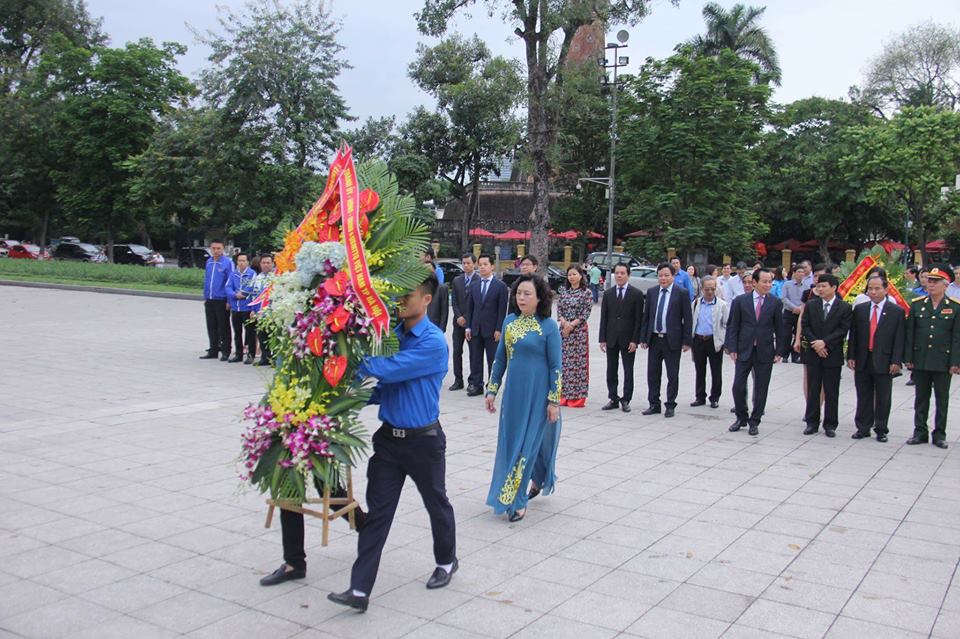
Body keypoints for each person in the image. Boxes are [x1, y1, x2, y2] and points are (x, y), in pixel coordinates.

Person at [327, 273, 457, 612]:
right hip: (389, 442)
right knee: (380, 514)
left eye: (407, 296)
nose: (399, 301)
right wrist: (343, 400)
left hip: (423, 443)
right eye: (397, 295)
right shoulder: (393, 336)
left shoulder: (432, 342)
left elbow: (388, 370)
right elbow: (381, 388)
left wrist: (344, 352)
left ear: (427, 299)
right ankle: (359, 590)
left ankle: (446, 561)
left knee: (436, 503)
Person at [484, 275, 562, 522]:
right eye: (518, 293)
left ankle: (517, 500)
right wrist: (491, 390)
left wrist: (554, 401)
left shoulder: (548, 326)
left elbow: (555, 366)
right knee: (511, 444)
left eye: (527, 293)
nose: (521, 298)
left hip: (538, 397)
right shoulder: (509, 322)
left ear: (540, 298)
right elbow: (500, 359)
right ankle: (533, 480)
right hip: (514, 397)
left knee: (527, 445)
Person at [903, 268, 960, 449]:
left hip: (942, 360)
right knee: (921, 397)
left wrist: (955, 362)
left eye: (936, 281)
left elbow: (957, 337)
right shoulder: (918, 304)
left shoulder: (955, 306)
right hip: (920, 358)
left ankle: (939, 434)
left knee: (941, 399)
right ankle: (919, 432)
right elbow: (910, 333)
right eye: (929, 280)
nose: (931, 284)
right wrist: (908, 357)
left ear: (945, 285)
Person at [847, 274, 905, 443]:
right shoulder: (861, 309)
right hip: (863, 358)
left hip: (884, 360)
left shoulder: (896, 311)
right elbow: (854, 336)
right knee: (863, 393)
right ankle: (863, 427)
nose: (873, 292)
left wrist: (896, 361)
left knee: (883, 396)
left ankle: (881, 428)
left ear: (886, 290)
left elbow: (899, 338)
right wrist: (851, 356)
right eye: (870, 289)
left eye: (877, 288)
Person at [725, 269, 784, 436]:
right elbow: (733, 326)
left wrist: (779, 350)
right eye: (764, 281)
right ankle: (741, 417)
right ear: (755, 282)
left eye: (770, 282)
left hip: (765, 350)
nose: (768, 285)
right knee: (738, 386)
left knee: (761, 387)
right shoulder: (740, 301)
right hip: (744, 349)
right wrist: (732, 347)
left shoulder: (775, 302)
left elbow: (780, 328)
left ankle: (755, 420)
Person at [800, 274, 853, 438]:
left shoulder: (844, 307)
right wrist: (816, 343)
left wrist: (825, 343)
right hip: (814, 353)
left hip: (832, 353)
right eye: (819, 286)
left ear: (834, 287)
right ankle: (812, 422)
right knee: (813, 388)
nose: (820, 289)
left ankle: (830, 424)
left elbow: (842, 330)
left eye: (824, 286)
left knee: (831, 390)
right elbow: (805, 326)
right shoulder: (811, 305)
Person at [639, 263, 693, 418]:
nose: (663, 278)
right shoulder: (652, 292)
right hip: (655, 339)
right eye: (660, 275)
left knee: (672, 374)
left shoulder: (681, 293)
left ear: (673, 277)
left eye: (666, 275)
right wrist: (644, 337)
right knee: (653, 374)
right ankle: (654, 403)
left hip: (672, 340)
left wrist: (687, 341)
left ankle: (670, 404)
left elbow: (687, 319)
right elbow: (647, 317)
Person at [598, 264, 644, 412]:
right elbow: (604, 317)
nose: (619, 276)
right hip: (611, 337)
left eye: (622, 273)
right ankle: (613, 397)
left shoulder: (636, 294)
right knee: (611, 369)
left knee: (628, 370)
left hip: (628, 338)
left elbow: (639, 319)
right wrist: (602, 338)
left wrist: (635, 340)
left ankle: (626, 399)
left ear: (628, 275)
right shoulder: (609, 293)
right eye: (617, 273)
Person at [465, 254, 509, 396]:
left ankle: (492, 386)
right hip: (476, 328)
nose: (482, 267)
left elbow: (502, 310)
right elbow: (470, 308)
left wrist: (499, 329)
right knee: (475, 358)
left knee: (493, 359)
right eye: (480, 264)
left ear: (492, 266)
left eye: (485, 264)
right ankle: (476, 385)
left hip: (492, 330)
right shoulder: (474, 285)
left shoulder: (500, 286)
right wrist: (468, 327)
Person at [556, 265, 592, 407]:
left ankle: (577, 397)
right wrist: (565, 323)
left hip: (579, 332)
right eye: (569, 274)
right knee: (563, 363)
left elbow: (585, 312)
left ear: (581, 276)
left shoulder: (586, 293)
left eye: (574, 274)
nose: (571, 277)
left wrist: (572, 325)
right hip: (564, 332)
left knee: (578, 365)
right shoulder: (564, 292)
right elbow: (559, 310)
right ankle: (563, 395)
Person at [690, 276, 728, 409]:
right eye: (707, 289)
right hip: (699, 340)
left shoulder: (722, 305)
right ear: (702, 289)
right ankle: (700, 396)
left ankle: (715, 397)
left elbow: (726, 324)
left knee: (716, 370)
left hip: (714, 341)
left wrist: (724, 340)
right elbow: (691, 322)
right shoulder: (695, 303)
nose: (710, 292)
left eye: (713, 289)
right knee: (699, 370)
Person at [200, 240, 234, 361]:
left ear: (222, 249)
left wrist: (229, 300)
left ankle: (226, 350)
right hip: (210, 299)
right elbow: (207, 280)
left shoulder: (227, 263)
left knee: (223, 326)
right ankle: (213, 349)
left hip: (222, 299)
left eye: (218, 248)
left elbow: (230, 282)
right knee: (211, 326)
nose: (216, 251)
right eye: (213, 248)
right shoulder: (209, 262)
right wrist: (205, 296)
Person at [448, 253, 476, 391]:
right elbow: (454, 300)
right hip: (457, 323)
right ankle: (458, 380)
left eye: (468, 263)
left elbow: (478, 303)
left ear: (474, 264)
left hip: (472, 323)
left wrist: (466, 317)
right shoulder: (457, 280)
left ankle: (473, 380)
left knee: (473, 353)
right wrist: (459, 316)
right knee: (457, 351)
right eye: (464, 263)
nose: (466, 265)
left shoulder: (478, 280)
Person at [226, 253, 258, 364]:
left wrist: (243, 294)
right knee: (237, 332)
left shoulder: (252, 274)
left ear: (248, 262)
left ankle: (250, 354)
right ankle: (238, 354)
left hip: (247, 308)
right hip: (235, 308)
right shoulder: (233, 274)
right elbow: (228, 287)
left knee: (249, 333)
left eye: (244, 260)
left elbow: (251, 287)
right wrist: (235, 295)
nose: (241, 263)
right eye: (239, 260)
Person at [250, 253, 275, 366]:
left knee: (272, 335)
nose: (265, 265)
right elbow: (254, 295)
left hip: (272, 312)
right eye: (263, 263)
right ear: (260, 264)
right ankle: (264, 357)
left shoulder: (276, 277)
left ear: (272, 263)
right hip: (260, 312)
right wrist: (253, 311)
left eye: (268, 263)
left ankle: (273, 358)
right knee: (261, 335)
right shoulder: (258, 277)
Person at [780, 265, 806, 363]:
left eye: (802, 272)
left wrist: (800, 308)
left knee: (798, 335)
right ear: (794, 273)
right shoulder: (787, 284)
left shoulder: (806, 286)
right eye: (799, 272)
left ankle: (796, 355)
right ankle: (785, 355)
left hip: (800, 313)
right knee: (786, 334)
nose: (801, 274)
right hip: (788, 312)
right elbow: (784, 298)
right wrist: (794, 307)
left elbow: (806, 300)